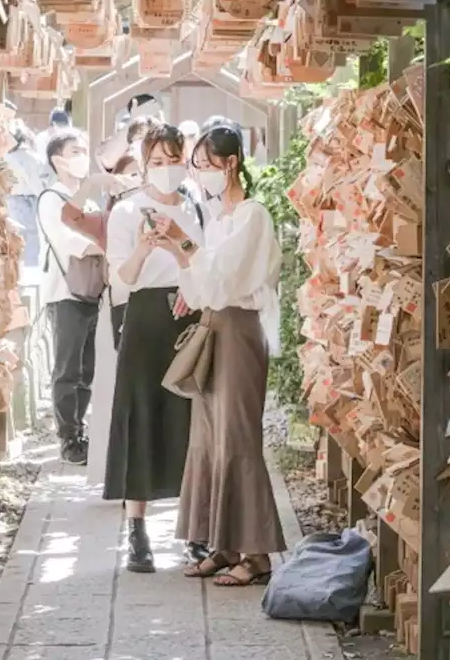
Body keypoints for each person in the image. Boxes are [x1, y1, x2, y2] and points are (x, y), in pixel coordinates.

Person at [149, 120, 286, 587]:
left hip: (241, 330)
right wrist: (183, 249)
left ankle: (257, 553)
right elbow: (204, 281)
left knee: (238, 437)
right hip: (214, 324)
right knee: (208, 436)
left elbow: (226, 278)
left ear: (231, 164)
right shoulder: (221, 216)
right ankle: (224, 544)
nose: (201, 174)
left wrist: (184, 245)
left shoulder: (252, 215)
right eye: (197, 166)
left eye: (207, 165)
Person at [104, 124, 206, 573]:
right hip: (145, 317)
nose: (166, 170)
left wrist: (188, 271)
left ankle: (196, 529)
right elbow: (119, 279)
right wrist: (146, 247)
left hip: (188, 314)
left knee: (191, 417)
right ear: (144, 165)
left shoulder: (197, 207)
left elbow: (206, 262)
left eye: (173, 160)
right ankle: (136, 531)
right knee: (141, 412)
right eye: (157, 162)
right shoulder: (127, 211)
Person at [37, 128, 103, 465]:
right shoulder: (52, 198)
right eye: (75, 151)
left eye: (84, 150)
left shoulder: (87, 200)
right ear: (57, 160)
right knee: (67, 369)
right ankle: (68, 437)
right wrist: (108, 244)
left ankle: (81, 431)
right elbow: (69, 242)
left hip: (92, 292)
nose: (82, 157)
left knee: (87, 368)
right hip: (66, 293)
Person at [6, 124, 55, 273]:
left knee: (15, 237)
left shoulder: (8, 157)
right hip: (33, 199)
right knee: (33, 239)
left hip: (13, 200)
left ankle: (18, 271)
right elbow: (42, 181)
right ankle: (31, 272)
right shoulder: (35, 157)